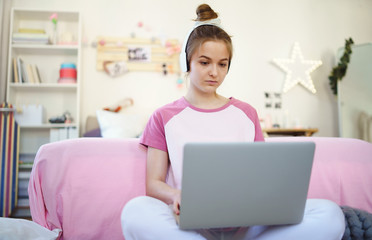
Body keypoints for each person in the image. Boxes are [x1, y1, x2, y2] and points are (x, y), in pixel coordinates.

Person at [121, 4, 345, 240]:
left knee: (330, 214)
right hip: (188, 225)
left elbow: (261, 176)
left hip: (247, 224)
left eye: (222, 64)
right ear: (186, 62)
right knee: (134, 211)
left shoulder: (247, 113)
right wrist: (176, 195)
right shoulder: (163, 116)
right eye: (204, 62)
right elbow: (153, 185)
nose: (214, 72)